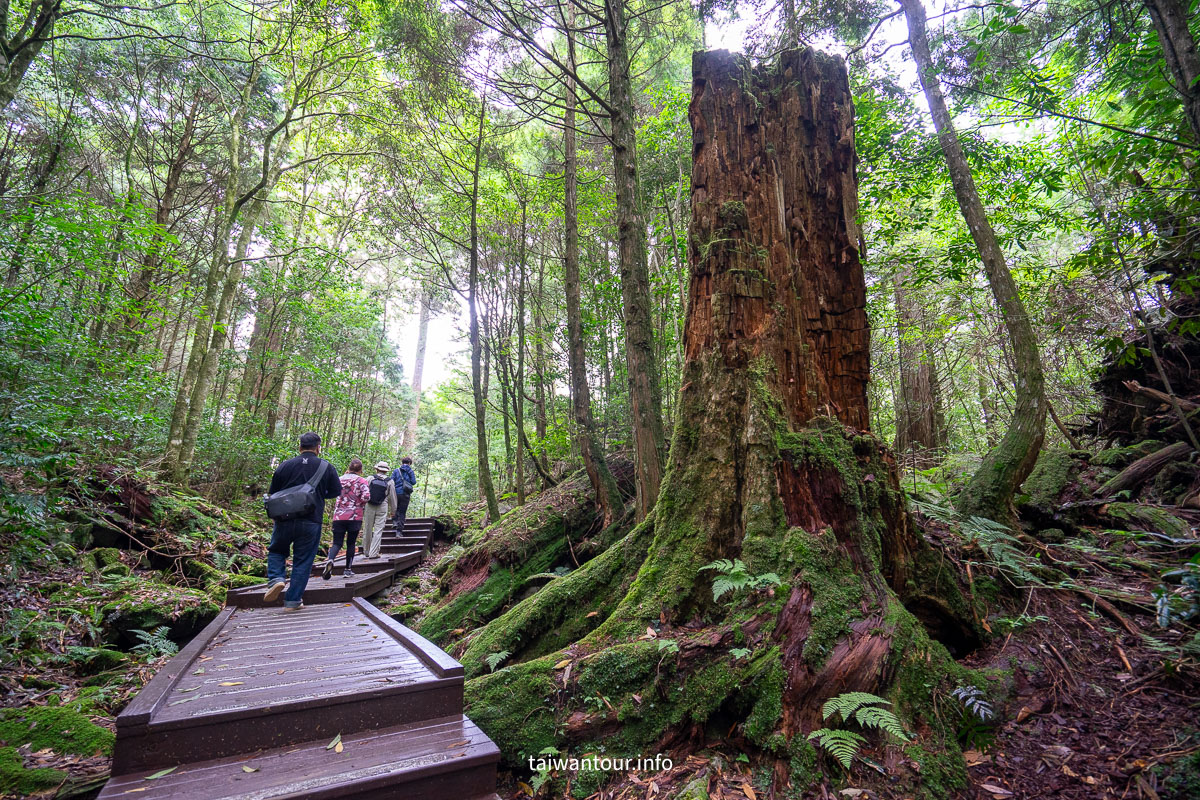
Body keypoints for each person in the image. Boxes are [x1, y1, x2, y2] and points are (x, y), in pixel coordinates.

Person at [264, 432, 342, 609]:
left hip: (283, 518)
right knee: (303, 560)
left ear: (299, 447)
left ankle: (276, 578)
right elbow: (336, 491)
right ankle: (292, 601)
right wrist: (319, 495)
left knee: (277, 550)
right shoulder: (326, 467)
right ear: (318, 448)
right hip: (311, 520)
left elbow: (274, 491)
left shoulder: (285, 465)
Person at [324, 457, 370, 579]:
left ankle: (331, 560)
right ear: (361, 470)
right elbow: (366, 496)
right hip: (354, 516)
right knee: (351, 543)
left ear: (349, 468)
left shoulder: (339, 480)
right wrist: (359, 503)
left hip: (338, 515)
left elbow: (331, 492)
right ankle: (348, 569)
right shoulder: (362, 481)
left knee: (337, 542)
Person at [360, 461, 396, 560]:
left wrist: (361, 504)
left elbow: (364, 492)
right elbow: (392, 497)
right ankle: (373, 553)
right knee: (378, 530)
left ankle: (366, 551)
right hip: (382, 506)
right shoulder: (390, 481)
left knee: (367, 528)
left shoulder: (370, 478)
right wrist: (393, 511)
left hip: (369, 505)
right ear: (386, 471)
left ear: (377, 469)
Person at [391, 456, 417, 533]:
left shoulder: (396, 471)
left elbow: (392, 480)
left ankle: (395, 522)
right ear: (409, 463)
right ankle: (399, 532)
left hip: (396, 493)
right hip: (405, 494)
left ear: (402, 463)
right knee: (402, 512)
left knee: (396, 509)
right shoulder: (410, 471)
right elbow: (413, 482)